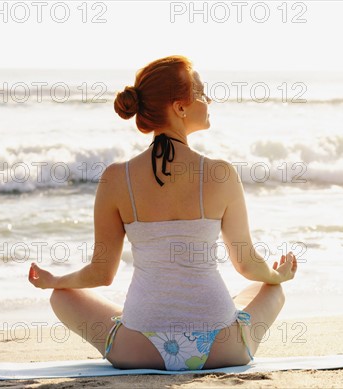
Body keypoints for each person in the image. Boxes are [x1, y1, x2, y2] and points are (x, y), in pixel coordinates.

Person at [28, 55, 298, 371]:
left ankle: (138, 314)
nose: (209, 99)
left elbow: (101, 274)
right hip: (222, 348)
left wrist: (55, 280)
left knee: (61, 297)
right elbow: (247, 264)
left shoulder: (117, 178)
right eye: (201, 91)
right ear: (180, 107)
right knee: (271, 288)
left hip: (138, 348)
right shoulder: (220, 173)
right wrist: (278, 275)